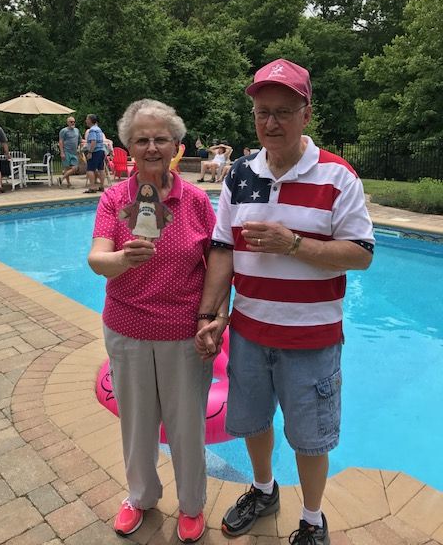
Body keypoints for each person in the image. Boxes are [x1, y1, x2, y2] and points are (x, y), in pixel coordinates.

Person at [195, 58, 375, 544]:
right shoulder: (239, 174)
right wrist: (211, 315)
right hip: (250, 333)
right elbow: (223, 248)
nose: (270, 123)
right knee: (252, 422)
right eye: (261, 112)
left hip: (312, 339)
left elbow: (360, 255)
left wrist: (293, 244)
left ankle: (313, 520)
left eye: (282, 112)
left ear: (306, 114)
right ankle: (262, 489)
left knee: (311, 437)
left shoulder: (338, 178)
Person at [87, 99, 217, 543]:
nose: (152, 146)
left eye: (161, 138)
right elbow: (96, 259)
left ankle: (192, 505)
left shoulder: (197, 201)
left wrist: (212, 318)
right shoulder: (114, 199)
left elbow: (218, 264)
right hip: (128, 330)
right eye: (142, 139)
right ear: (129, 147)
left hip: (183, 333)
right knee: (137, 423)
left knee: (187, 426)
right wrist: (124, 257)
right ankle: (140, 496)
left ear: (176, 145)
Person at [84, 114, 106, 193]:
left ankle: (92, 187)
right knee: (101, 169)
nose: (86, 120)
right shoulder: (99, 129)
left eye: (87, 119)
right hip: (101, 150)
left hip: (95, 151)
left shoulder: (92, 130)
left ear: (90, 120)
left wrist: (90, 152)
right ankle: (102, 186)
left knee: (90, 169)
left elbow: (93, 141)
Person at [58, 116, 81, 188]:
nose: (73, 123)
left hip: (74, 152)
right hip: (66, 151)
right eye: (71, 122)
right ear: (67, 122)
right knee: (67, 168)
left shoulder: (77, 130)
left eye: (74, 122)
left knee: (75, 168)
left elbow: (80, 140)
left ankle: (61, 178)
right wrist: (62, 152)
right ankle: (68, 184)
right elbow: (61, 142)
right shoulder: (63, 131)